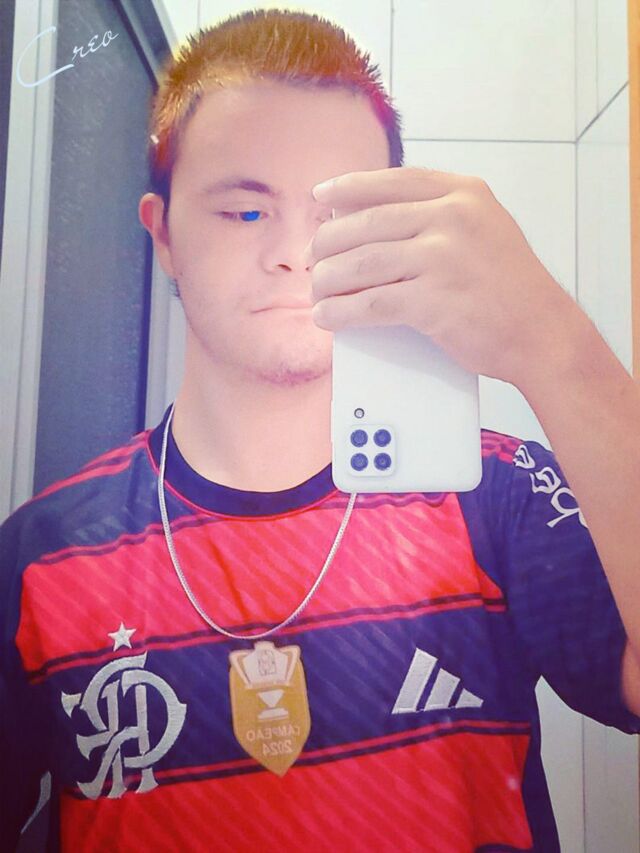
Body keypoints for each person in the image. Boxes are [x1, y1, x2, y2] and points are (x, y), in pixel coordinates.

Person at [2, 8, 640, 852]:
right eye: (245, 212)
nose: (296, 255)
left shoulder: (499, 493)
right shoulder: (39, 556)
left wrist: (558, 347)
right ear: (163, 236)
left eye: (334, 214)